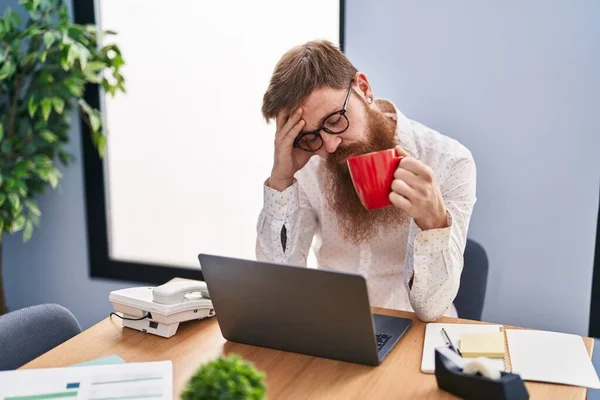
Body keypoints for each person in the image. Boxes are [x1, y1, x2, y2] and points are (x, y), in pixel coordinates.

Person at [255, 40, 476, 321]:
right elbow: (278, 288)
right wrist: (282, 180)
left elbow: (431, 308)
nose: (331, 146)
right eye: (311, 137)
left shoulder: (449, 161)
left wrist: (432, 221)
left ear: (363, 89)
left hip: (413, 332)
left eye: (335, 120)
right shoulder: (309, 161)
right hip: (335, 327)